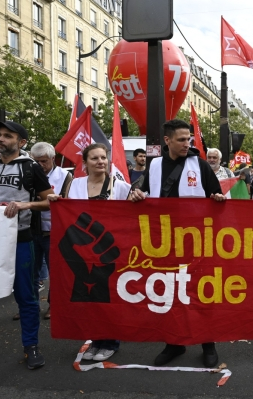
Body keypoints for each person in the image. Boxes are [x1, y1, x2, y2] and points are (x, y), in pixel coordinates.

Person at [129, 119, 225, 368]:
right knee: (169, 292)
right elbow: (147, 195)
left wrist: (217, 198)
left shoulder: (201, 165)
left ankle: (208, 343)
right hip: (165, 241)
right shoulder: (156, 165)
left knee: (200, 291)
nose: (187, 144)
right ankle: (174, 343)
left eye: (189, 139)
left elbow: (217, 197)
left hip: (195, 241)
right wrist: (137, 196)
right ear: (167, 140)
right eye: (181, 139)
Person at [0, 120, 54, 370]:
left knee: (26, 296)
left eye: (7, 136)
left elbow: (50, 202)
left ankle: (31, 346)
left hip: (20, 239)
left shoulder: (31, 168)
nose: (0, 139)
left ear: (21, 143)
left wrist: (25, 205)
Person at [48, 143, 130, 362]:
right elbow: (67, 211)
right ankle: (95, 340)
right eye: (94, 158)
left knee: (107, 297)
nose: (101, 161)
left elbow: (132, 215)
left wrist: (138, 196)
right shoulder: (75, 184)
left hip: (108, 254)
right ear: (84, 164)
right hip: (82, 255)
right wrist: (57, 202)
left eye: (103, 157)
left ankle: (111, 342)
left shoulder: (119, 186)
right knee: (88, 300)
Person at [30, 142, 73, 320]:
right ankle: (30, 305)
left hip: (54, 232)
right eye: (36, 161)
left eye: (43, 161)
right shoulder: (28, 172)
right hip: (32, 230)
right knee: (30, 272)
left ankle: (53, 305)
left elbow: (68, 202)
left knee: (55, 273)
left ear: (53, 159)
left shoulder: (65, 176)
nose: (40, 165)